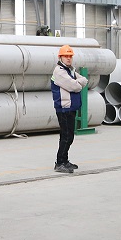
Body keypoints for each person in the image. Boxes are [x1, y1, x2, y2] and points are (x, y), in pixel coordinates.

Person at [50, 45, 89, 174]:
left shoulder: (70, 70)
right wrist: (78, 83)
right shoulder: (59, 72)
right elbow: (75, 86)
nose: (68, 58)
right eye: (66, 56)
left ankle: (65, 160)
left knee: (68, 136)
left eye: (70, 56)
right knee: (66, 136)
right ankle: (60, 163)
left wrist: (78, 82)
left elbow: (84, 80)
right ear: (60, 57)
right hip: (64, 108)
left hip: (70, 108)